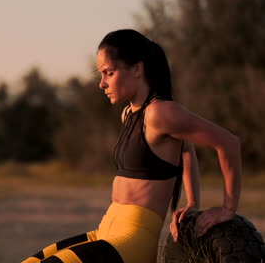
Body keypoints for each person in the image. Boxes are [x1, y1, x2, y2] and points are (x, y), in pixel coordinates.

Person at [21, 29, 241, 263]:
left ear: (137, 69)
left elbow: (228, 143)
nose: (101, 83)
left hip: (131, 240)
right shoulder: (130, 114)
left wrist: (227, 208)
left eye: (109, 73)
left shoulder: (160, 112)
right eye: (102, 74)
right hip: (105, 231)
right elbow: (185, 148)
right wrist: (192, 203)